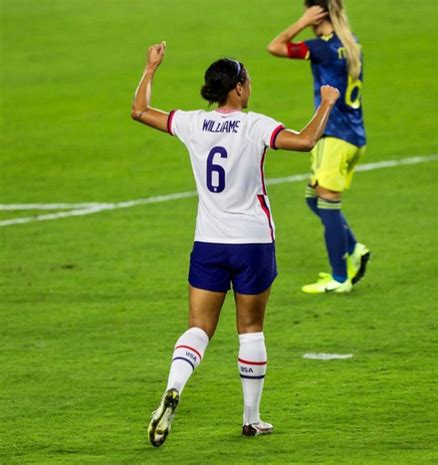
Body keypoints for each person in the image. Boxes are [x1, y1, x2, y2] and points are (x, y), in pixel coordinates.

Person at [131, 41, 340, 446]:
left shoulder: (192, 123)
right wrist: (326, 103)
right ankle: (251, 419)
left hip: (209, 242)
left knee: (198, 329)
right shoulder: (254, 125)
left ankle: (175, 386)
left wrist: (151, 68)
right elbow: (305, 141)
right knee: (250, 329)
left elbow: (139, 110)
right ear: (239, 88)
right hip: (252, 243)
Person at [267, 0, 370, 294]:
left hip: (334, 137)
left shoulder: (321, 47)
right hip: (354, 136)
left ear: (317, 12)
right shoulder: (351, 43)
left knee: (327, 201)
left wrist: (300, 24)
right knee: (314, 198)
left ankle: (340, 279)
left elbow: (275, 46)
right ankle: (353, 249)